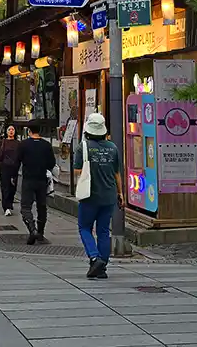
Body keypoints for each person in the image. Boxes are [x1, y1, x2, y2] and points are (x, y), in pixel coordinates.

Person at [73, 112, 119, 279]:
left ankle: (94, 257)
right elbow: (117, 173)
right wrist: (120, 193)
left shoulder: (83, 147)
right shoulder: (112, 147)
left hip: (89, 195)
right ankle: (103, 266)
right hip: (109, 195)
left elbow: (77, 171)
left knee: (84, 227)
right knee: (104, 231)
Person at [18, 120, 56, 245]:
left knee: (25, 206)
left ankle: (32, 229)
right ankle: (40, 232)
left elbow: (17, 160)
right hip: (42, 179)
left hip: (28, 179)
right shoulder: (46, 145)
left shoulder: (23, 144)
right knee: (42, 206)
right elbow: (51, 163)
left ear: (28, 131)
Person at [0, 125, 21, 216]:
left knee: (12, 188)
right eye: (9, 129)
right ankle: (6, 206)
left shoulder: (18, 143)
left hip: (14, 168)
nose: (11, 131)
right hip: (4, 167)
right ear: (6, 132)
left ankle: (10, 203)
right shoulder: (3, 142)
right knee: (5, 187)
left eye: (13, 129)